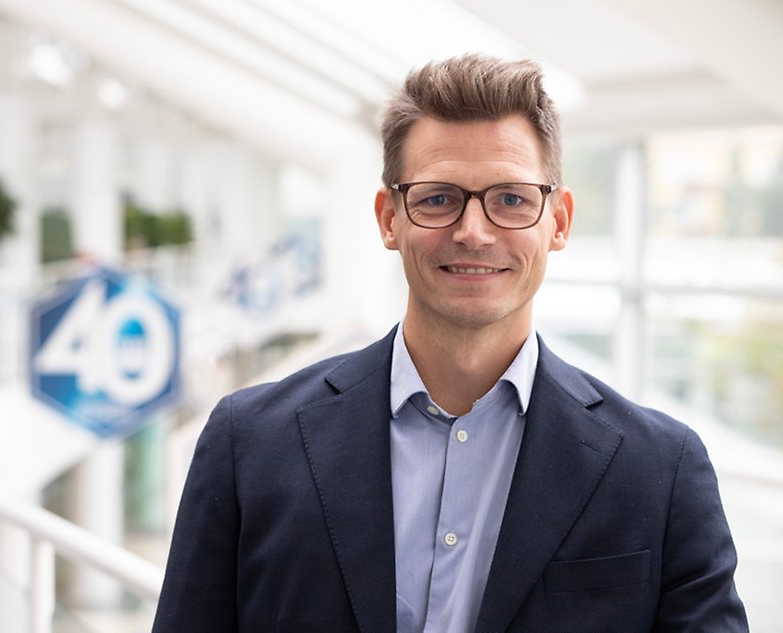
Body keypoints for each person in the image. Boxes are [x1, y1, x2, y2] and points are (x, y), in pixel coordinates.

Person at [152, 53, 748, 633]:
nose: (473, 231)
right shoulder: (248, 443)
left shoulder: (660, 471)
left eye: (511, 199)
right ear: (390, 218)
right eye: (438, 198)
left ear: (559, 221)